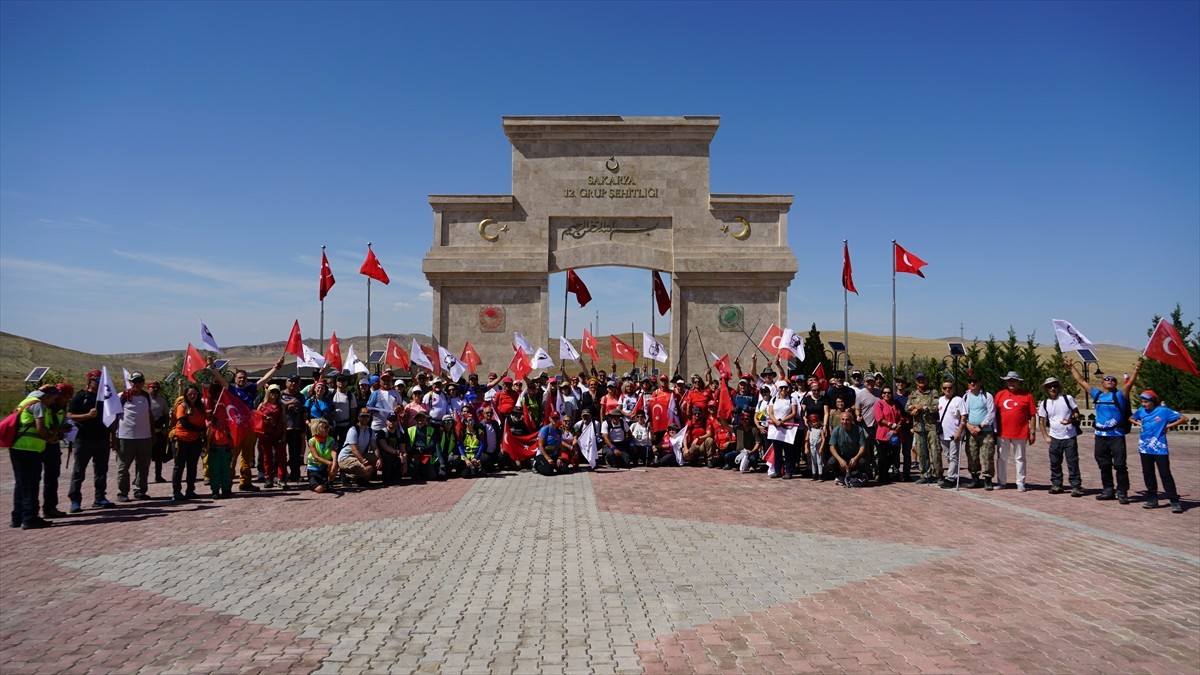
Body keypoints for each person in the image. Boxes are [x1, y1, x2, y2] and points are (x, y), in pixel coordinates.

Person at [1067, 359, 1142, 504]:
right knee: (1104, 464)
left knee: (1120, 465)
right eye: (1107, 379)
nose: (1110, 381)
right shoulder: (1098, 395)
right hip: (1100, 436)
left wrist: (1137, 370)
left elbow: (1129, 384)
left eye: (1113, 380)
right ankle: (1108, 490)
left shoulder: (1120, 395)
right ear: (1102, 383)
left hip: (1116, 436)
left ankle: (1122, 492)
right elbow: (1081, 381)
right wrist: (1071, 367)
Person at [211, 356, 284, 490]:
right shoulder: (231, 389)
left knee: (247, 455)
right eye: (239, 378)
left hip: (249, 428)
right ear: (235, 379)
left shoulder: (251, 389)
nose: (242, 380)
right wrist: (213, 368)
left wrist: (276, 367)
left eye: (244, 378)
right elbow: (221, 380)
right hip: (235, 429)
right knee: (232, 457)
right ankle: (227, 483)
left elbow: (265, 379)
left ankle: (245, 482)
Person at [9, 385, 61, 529]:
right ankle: (30, 518)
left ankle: (17, 517)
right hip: (30, 449)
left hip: (17, 448)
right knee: (31, 485)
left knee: (21, 484)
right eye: (53, 399)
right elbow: (40, 428)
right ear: (48, 396)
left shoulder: (25, 402)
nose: (53, 402)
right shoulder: (38, 405)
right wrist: (50, 438)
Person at [66, 369, 116, 512]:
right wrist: (87, 416)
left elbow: (111, 416)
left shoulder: (105, 398)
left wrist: (113, 434)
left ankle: (100, 497)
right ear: (90, 381)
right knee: (79, 471)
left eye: (101, 381)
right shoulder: (81, 396)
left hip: (102, 439)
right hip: (84, 439)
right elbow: (70, 415)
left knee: (101, 471)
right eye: (97, 381)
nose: (99, 384)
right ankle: (75, 500)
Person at [1130, 389, 1186, 513]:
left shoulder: (1163, 411)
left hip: (1160, 448)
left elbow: (1184, 418)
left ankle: (1174, 501)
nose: (1144, 404)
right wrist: (1138, 423)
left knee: (1165, 473)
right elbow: (1131, 418)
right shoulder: (1141, 411)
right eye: (1142, 402)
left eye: (1146, 402)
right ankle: (1152, 498)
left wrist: (1168, 426)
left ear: (1153, 401)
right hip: (1144, 448)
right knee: (1148, 473)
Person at [1037, 377, 1083, 497]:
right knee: (1055, 462)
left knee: (1072, 462)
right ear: (1046, 389)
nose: (1052, 388)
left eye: (1055, 386)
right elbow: (1041, 420)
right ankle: (1057, 484)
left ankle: (1076, 486)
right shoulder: (1045, 403)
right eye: (1049, 386)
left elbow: (1077, 413)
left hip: (1069, 436)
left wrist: (1071, 420)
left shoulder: (1067, 399)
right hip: (1054, 437)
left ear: (1058, 387)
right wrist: (1046, 436)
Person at [114, 371, 155, 501]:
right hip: (125, 437)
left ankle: (140, 490)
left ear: (143, 382)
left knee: (143, 466)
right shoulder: (122, 396)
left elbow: (149, 415)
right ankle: (122, 492)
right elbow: (114, 416)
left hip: (145, 437)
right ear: (130, 382)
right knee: (123, 467)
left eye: (139, 381)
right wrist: (113, 435)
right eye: (134, 381)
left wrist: (153, 433)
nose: (137, 384)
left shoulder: (146, 397)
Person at [993, 371, 1037, 491]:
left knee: (1020, 458)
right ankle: (1001, 481)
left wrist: (1032, 432)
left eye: (1014, 380)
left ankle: (1020, 482)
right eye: (1009, 380)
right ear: (1006, 381)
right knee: (1002, 458)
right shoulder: (1000, 395)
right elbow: (993, 413)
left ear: (1018, 382)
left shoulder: (1027, 396)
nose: (1011, 383)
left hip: (1020, 433)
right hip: (1003, 433)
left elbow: (1032, 415)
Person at [39, 383, 72, 518]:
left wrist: (64, 428)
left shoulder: (61, 407)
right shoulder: (45, 405)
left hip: (54, 443)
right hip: (40, 444)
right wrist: (58, 428)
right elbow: (45, 425)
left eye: (68, 397)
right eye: (64, 396)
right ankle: (26, 512)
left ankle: (50, 507)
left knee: (52, 477)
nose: (65, 400)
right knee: (32, 480)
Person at [958, 376, 996, 489]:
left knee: (987, 456)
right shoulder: (966, 396)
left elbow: (991, 412)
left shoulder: (987, 396)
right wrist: (968, 425)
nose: (973, 383)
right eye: (970, 381)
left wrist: (981, 426)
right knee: (972, 455)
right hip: (971, 431)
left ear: (980, 382)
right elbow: (963, 413)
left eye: (975, 381)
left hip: (985, 431)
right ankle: (974, 478)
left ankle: (988, 479)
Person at [171, 383, 207, 501]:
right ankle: (176, 491)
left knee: (192, 466)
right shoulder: (182, 406)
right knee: (179, 466)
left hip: (195, 441)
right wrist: (200, 430)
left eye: (194, 394)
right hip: (181, 440)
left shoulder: (201, 407)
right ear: (186, 395)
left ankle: (190, 490)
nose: (192, 396)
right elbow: (184, 423)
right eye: (190, 394)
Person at [905, 372, 940, 484]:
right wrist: (914, 408)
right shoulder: (913, 394)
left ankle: (938, 475)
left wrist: (922, 408)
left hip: (931, 426)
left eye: (923, 379)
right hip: (918, 426)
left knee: (935, 450)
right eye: (919, 380)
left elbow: (936, 407)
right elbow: (907, 407)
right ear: (916, 381)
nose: (921, 381)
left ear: (926, 380)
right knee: (921, 451)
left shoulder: (932, 392)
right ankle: (925, 474)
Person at [257, 385, 288, 489]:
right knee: (267, 458)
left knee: (281, 457)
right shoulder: (262, 405)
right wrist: (265, 419)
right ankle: (268, 478)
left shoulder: (281, 406)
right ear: (268, 393)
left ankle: (281, 478)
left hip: (278, 433)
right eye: (272, 391)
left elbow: (284, 421)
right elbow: (256, 420)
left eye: (276, 392)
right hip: (265, 434)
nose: (274, 394)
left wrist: (284, 434)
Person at [766, 380, 798, 478]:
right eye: (781, 387)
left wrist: (782, 420)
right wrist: (776, 421)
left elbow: (793, 413)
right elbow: (770, 413)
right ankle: (777, 470)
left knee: (788, 451)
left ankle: (789, 471)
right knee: (777, 451)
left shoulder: (792, 399)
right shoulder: (773, 400)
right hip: (776, 429)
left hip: (788, 429)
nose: (783, 389)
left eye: (785, 387)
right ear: (778, 389)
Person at [339, 409, 378, 486]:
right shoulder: (353, 430)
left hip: (359, 456)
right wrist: (365, 462)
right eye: (362, 416)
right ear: (358, 417)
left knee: (375, 460)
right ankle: (346, 475)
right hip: (346, 457)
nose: (365, 418)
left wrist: (379, 458)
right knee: (365, 469)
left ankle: (359, 477)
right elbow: (355, 450)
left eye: (367, 416)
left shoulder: (370, 431)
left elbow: (375, 447)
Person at [828, 411, 868, 486]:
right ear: (840, 420)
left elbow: (862, 446)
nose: (844, 422)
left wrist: (856, 458)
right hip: (841, 455)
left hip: (854, 455)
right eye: (842, 419)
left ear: (851, 420)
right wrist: (840, 460)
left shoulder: (858, 430)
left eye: (847, 420)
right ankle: (840, 476)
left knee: (862, 461)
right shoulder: (836, 430)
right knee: (831, 462)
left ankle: (856, 476)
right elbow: (832, 447)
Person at [938, 379, 965, 489]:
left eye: (950, 387)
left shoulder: (958, 400)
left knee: (954, 456)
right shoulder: (940, 400)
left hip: (955, 432)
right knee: (948, 455)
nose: (947, 390)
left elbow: (964, 416)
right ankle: (954, 475)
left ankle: (950, 477)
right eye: (945, 388)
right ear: (942, 389)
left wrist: (959, 430)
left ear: (953, 388)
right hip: (943, 433)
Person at [873, 386, 904, 484]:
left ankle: (885, 473)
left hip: (895, 434)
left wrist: (897, 426)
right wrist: (891, 425)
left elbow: (899, 417)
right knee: (883, 456)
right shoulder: (879, 404)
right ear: (882, 394)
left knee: (893, 454)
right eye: (885, 393)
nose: (887, 395)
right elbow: (879, 419)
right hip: (883, 434)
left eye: (889, 393)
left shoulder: (894, 404)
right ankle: (882, 476)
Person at [207, 400, 235, 499]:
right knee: (214, 471)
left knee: (226, 471)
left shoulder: (229, 424)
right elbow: (207, 438)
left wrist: (231, 447)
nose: (220, 412)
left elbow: (233, 438)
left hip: (226, 450)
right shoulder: (211, 424)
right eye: (217, 410)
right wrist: (208, 428)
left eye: (222, 410)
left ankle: (226, 490)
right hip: (214, 450)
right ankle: (215, 490)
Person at [304, 418, 338, 493]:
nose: (327, 429)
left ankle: (329, 483)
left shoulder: (330, 439)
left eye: (327, 427)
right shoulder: (312, 441)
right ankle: (317, 484)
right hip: (314, 469)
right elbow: (316, 457)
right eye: (324, 427)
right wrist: (329, 463)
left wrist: (334, 462)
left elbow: (333, 451)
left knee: (335, 465)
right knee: (320, 489)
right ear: (317, 429)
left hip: (324, 467)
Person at [406, 411, 439, 483]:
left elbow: (432, 444)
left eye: (422, 417)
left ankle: (422, 471)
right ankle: (415, 473)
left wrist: (423, 449)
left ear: (426, 419)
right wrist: (415, 450)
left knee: (432, 476)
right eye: (418, 417)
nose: (420, 419)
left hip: (426, 454)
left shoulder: (431, 430)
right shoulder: (410, 430)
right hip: (414, 453)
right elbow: (408, 445)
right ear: (416, 419)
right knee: (414, 461)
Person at [377, 413, 409, 486]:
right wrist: (398, 453)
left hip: (395, 455)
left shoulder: (400, 433)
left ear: (397, 422)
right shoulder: (381, 432)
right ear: (386, 421)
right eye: (390, 420)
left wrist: (405, 463)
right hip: (382, 457)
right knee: (387, 456)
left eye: (394, 420)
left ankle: (396, 476)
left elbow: (403, 450)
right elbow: (384, 446)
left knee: (404, 458)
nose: (392, 422)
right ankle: (385, 479)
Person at [329, 376, 357, 449]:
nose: (341, 382)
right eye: (339, 380)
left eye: (343, 380)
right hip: (333, 426)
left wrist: (351, 425)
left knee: (343, 445)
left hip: (346, 425)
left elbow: (353, 411)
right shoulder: (331, 394)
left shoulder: (350, 395)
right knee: (332, 445)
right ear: (336, 382)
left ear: (347, 382)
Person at [805, 413, 826, 480]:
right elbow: (806, 440)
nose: (815, 423)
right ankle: (814, 474)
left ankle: (820, 474)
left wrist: (821, 448)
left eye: (816, 421)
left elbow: (823, 439)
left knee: (819, 461)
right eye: (813, 422)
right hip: (812, 447)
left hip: (819, 447)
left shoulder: (821, 430)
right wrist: (806, 448)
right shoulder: (809, 431)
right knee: (813, 461)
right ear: (810, 423)